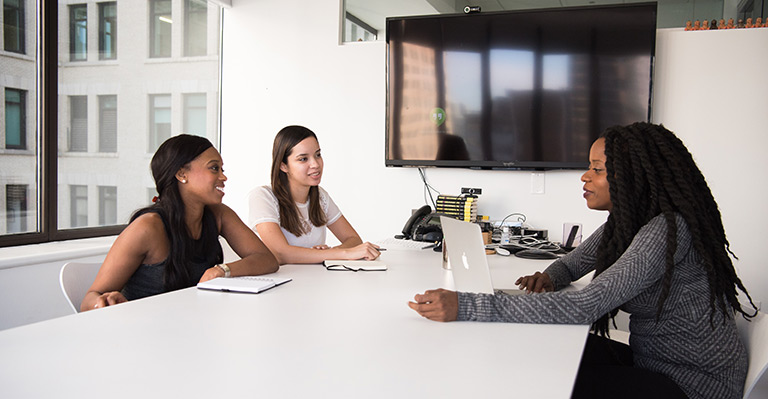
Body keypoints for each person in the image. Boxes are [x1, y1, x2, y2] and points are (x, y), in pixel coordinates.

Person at [409, 122, 757, 399]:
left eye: (597, 169)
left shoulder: (667, 230)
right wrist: (550, 277)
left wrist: (469, 306)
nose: (584, 176)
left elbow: (584, 305)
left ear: (632, 176)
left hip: (691, 385)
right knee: (543, 350)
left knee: (547, 380)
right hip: (654, 360)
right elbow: (573, 263)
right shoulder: (625, 224)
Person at [81, 134, 278, 311]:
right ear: (182, 174)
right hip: (145, 333)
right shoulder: (147, 228)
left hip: (190, 326)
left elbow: (266, 259)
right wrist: (104, 302)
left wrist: (221, 270)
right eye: (214, 168)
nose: (223, 176)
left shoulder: (219, 215)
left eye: (221, 169)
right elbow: (89, 300)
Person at [248, 125, 381, 264]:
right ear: (283, 166)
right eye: (303, 159)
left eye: (317, 155)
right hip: (280, 282)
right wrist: (337, 254)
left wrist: (327, 254)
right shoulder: (263, 196)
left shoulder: (320, 196)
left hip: (314, 280)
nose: (316, 164)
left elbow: (353, 239)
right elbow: (281, 253)